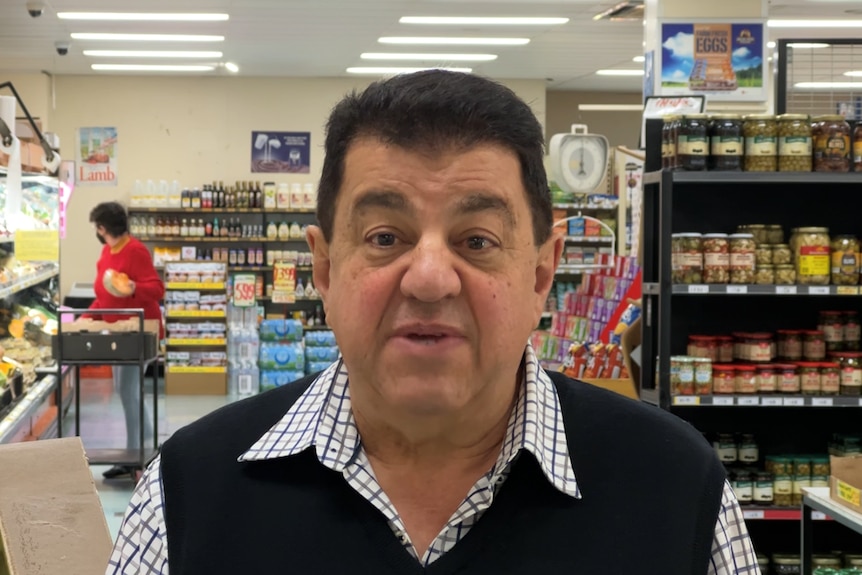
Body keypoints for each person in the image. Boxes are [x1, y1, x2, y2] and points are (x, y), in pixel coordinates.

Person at [107, 71, 759, 574]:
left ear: (540, 272)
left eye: (476, 240)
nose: (428, 277)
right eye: (386, 235)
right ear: (326, 269)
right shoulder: (187, 491)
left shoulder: (677, 486)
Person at [86, 202, 164, 479]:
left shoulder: (135, 250)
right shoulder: (107, 251)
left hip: (139, 332)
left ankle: (135, 458)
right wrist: (87, 317)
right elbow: (103, 294)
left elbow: (156, 289)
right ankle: (148, 449)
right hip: (119, 332)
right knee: (126, 391)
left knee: (129, 392)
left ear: (103, 228)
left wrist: (132, 287)